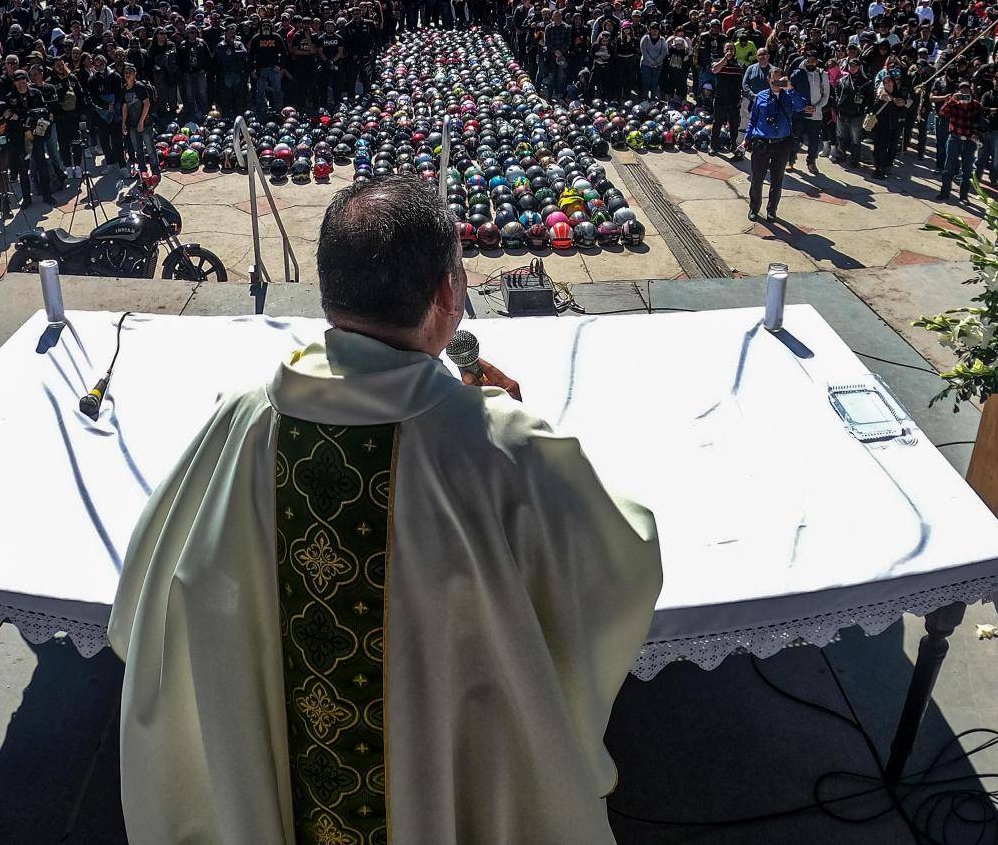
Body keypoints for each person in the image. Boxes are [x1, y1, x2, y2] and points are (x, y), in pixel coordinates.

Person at [109, 177, 662, 845]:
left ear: (327, 292)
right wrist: (511, 429)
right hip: (447, 779)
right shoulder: (503, 446)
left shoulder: (243, 417)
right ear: (447, 294)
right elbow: (620, 559)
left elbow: (146, 596)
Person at [745, 65, 811, 222]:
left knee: (777, 179)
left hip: (782, 144)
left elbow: (802, 105)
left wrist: (789, 88)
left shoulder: (788, 96)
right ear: (768, 79)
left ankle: (772, 210)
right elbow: (753, 119)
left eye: (779, 79)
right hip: (762, 143)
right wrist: (747, 138)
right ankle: (754, 208)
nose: (776, 82)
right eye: (773, 79)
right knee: (757, 178)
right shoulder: (760, 96)